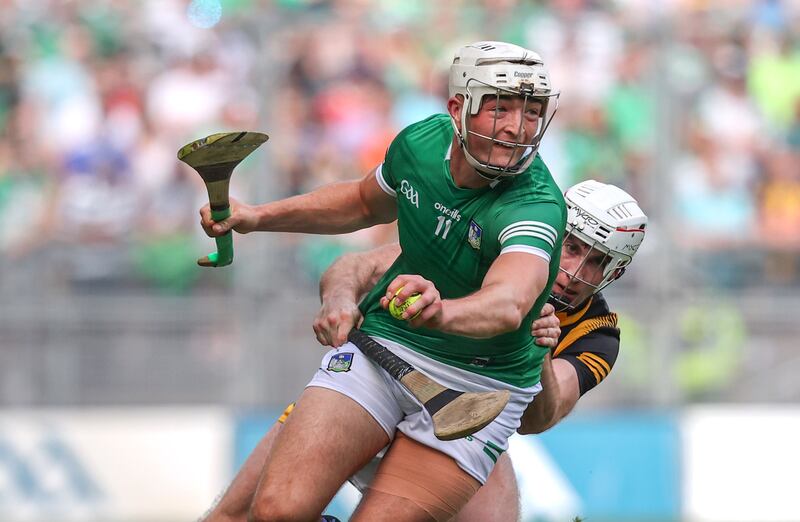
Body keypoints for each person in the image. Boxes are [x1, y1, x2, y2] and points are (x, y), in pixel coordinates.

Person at [200, 40, 565, 522]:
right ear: (458, 107)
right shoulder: (419, 145)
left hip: (476, 388)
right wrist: (257, 216)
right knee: (276, 512)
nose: (517, 128)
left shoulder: (535, 204)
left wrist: (441, 312)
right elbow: (360, 203)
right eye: (499, 108)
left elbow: (510, 303)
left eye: (532, 111)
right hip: (384, 348)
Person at [200, 180, 647, 522]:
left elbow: (538, 418)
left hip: (462, 420)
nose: (573, 270)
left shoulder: (599, 332)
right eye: (571, 247)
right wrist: (339, 300)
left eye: (596, 261)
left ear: (616, 270)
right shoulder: (500, 242)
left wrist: (542, 355)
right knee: (240, 514)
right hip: (378, 380)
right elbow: (354, 266)